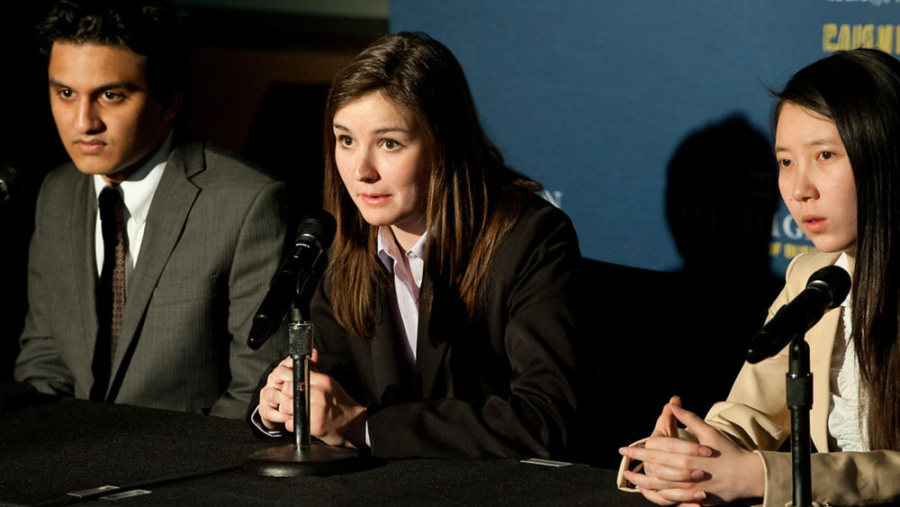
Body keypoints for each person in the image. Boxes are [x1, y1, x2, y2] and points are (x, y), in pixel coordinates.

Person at [250, 32, 582, 458]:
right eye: (345, 140)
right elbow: (333, 378)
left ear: (444, 145)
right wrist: (284, 405)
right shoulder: (345, 241)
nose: (360, 170)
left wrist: (364, 427)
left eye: (389, 143)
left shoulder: (529, 238)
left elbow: (544, 418)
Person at [617, 48, 900, 506]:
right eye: (786, 161)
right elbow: (751, 410)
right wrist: (692, 458)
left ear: (885, 155)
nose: (800, 189)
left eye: (825, 154)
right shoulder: (814, 274)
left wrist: (764, 477)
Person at [14, 0, 288, 418]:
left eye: (110, 95)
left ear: (170, 101)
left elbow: (258, 387)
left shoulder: (245, 203)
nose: (83, 122)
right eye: (66, 93)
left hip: (188, 471)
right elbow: (44, 360)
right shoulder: (57, 194)